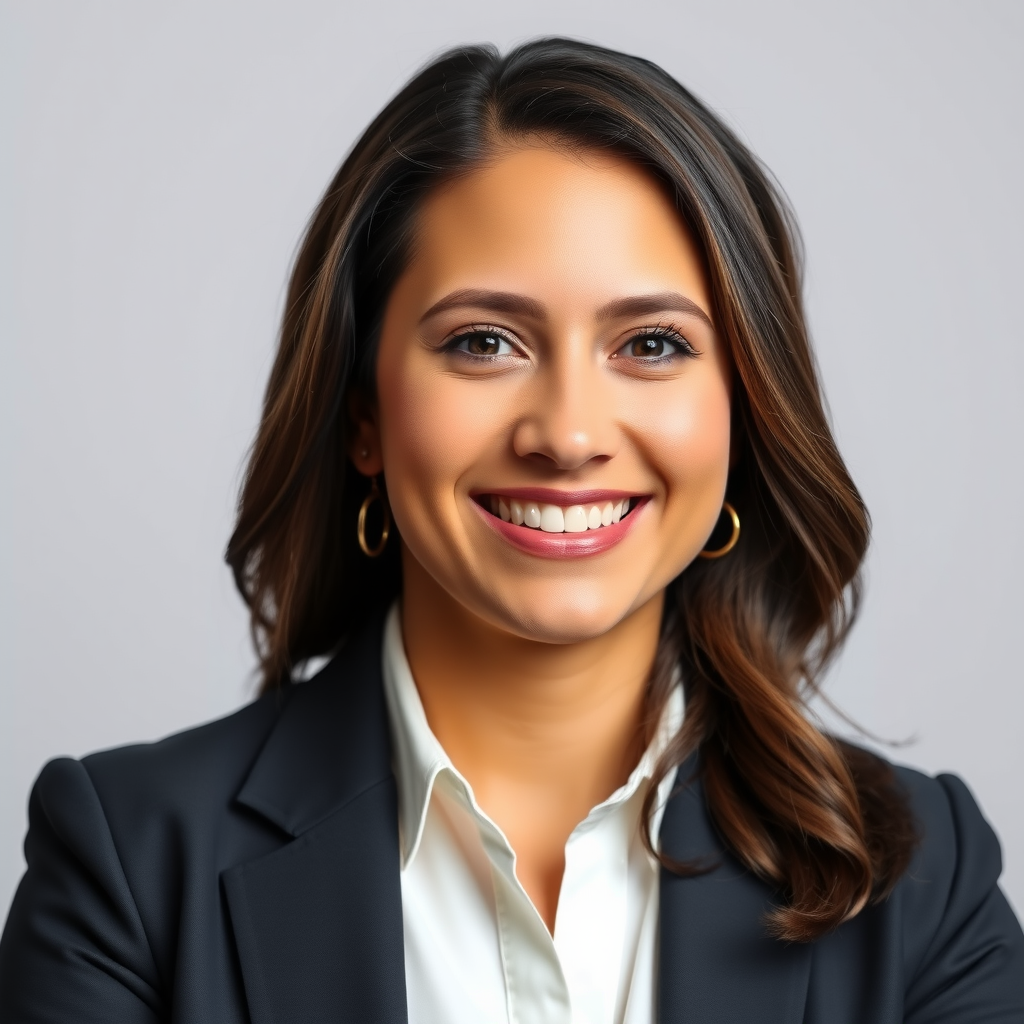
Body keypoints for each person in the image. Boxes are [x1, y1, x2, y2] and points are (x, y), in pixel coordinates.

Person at [1, 37, 1021, 1024]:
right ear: (364, 411)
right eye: (483, 342)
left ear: (742, 409)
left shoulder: (921, 876)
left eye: (652, 344)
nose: (568, 434)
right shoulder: (129, 863)